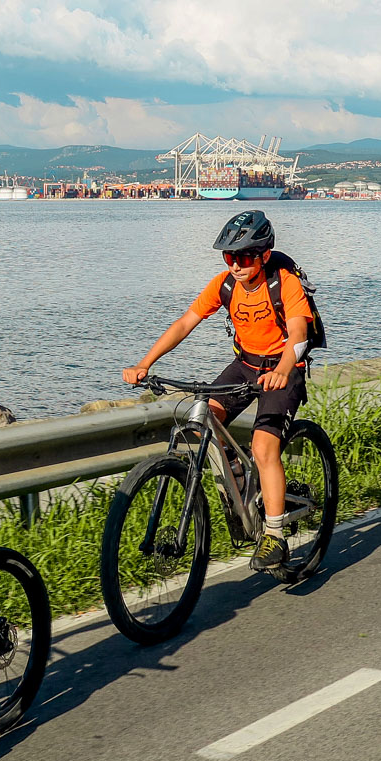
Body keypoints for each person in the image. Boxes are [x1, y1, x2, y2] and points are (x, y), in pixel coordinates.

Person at [122, 209, 311, 573]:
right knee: (205, 417)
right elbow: (185, 323)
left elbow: (299, 336)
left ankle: (275, 535)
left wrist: (285, 370)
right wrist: (145, 363)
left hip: (283, 369)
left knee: (263, 446)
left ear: (263, 256)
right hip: (245, 364)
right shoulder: (224, 285)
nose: (236, 265)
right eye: (229, 257)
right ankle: (244, 491)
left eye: (243, 257)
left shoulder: (284, 283)